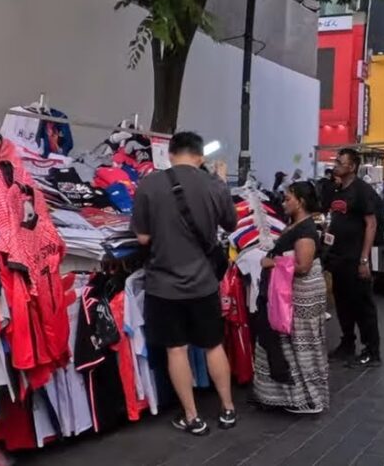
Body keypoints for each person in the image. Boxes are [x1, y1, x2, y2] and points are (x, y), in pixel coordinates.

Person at [131, 132, 239, 436]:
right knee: (212, 345)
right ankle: (228, 408)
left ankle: (192, 417)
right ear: (200, 156)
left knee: (176, 350)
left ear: (169, 153)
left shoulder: (149, 184)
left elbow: (142, 238)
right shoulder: (213, 185)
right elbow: (231, 224)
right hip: (204, 283)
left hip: (163, 285)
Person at [252, 182, 329, 414]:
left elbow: (303, 266)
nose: (283, 202)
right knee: (291, 344)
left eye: (287, 199)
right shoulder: (297, 225)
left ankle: (308, 399)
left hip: (301, 294)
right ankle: (291, 397)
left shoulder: (305, 230)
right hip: (290, 293)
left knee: (300, 345)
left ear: (301, 201)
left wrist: (271, 262)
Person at [324, 148, 383, 368]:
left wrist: (364, 260)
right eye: (336, 160)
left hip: (356, 258)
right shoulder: (338, 190)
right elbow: (335, 217)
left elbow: (371, 224)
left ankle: (372, 351)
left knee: (362, 306)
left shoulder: (362, 190)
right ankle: (347, 343)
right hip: (338, 258)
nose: (336, 164)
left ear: (352, 167)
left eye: (340, 162)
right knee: (342, 304)